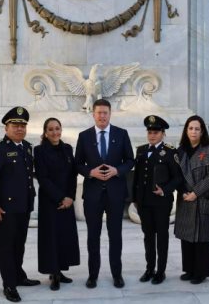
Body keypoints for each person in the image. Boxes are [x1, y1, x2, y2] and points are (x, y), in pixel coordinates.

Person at [0, 107, 39, 303]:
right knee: (6, 247)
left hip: (23, 207)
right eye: (15, 125)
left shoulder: (27, 147)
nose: (20, 129)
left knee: (19, 245)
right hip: (4, 209)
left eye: (23, 125)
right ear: (6, 127)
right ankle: (9, 284)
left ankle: (18, 275)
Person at [75, 99, 134, 289]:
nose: (102, 116)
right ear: (93, 114)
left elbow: (130, 160)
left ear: (110, 114)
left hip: (115, 194)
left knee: (115, 236)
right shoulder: (84, 136)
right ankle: (93, 275)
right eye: (99, 112)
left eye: (105, 113)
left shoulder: (121, 134)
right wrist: (89, 172)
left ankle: (117, 274)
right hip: (92, 194)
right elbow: (77, 163)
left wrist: (117, 170)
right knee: (93, 236)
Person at [132, 115, 182, 285]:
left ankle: (160, 271)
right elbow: (137, 177)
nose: (152, 135)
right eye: (150, 132)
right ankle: (149, 268)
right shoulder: (141, 150)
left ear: (163, 133)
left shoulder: (170, 152)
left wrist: (165, 190)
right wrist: (135, 199)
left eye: (156, 132)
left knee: (161, 237)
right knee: (148, 236)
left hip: (161, 203)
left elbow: (177, 178)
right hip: (144, 202)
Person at [34, 118, 80, 291]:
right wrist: (61, 198)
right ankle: (53, 273)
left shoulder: (67, 149)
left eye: (57, 128)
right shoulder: (39, 151)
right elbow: (43, 178)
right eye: (51, 129)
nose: (55, 132)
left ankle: (60, 270)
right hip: (50, 201)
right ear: (45, 132)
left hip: (66, 201)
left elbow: (73, 175)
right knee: (50, 237)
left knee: (64, 237)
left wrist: (70, 197)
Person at [174, 115, 209, 285]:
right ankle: (189, 269)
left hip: (201, 199)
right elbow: (176, 175)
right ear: (186, 130)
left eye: (197, 128)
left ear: (202, 131)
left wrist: (195, 192)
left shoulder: (208, 149)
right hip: (185, 198)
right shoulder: (180, 150)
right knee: (187, 236)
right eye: (191, 128)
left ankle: (201, 272)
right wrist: (184, 191)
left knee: (201, 237)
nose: (193, 131)